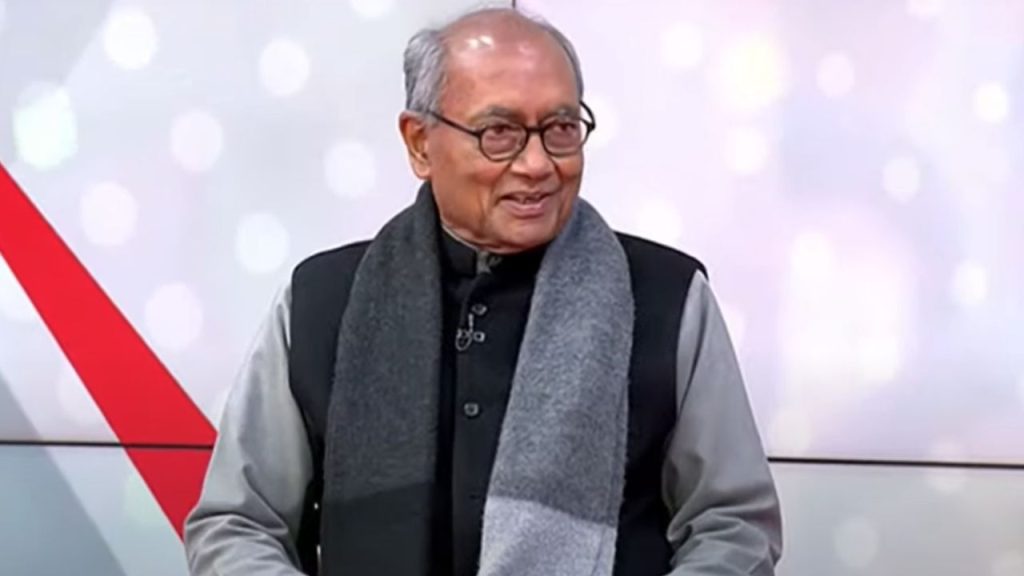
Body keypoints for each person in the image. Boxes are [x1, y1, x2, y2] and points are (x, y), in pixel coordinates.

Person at [184, 7, 781, 576]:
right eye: (500, 133)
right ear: (420, 143)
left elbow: (734, 527)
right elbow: (237, 525)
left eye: (560, 129)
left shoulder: (667, 298)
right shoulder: (322, 300)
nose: (537, 164)